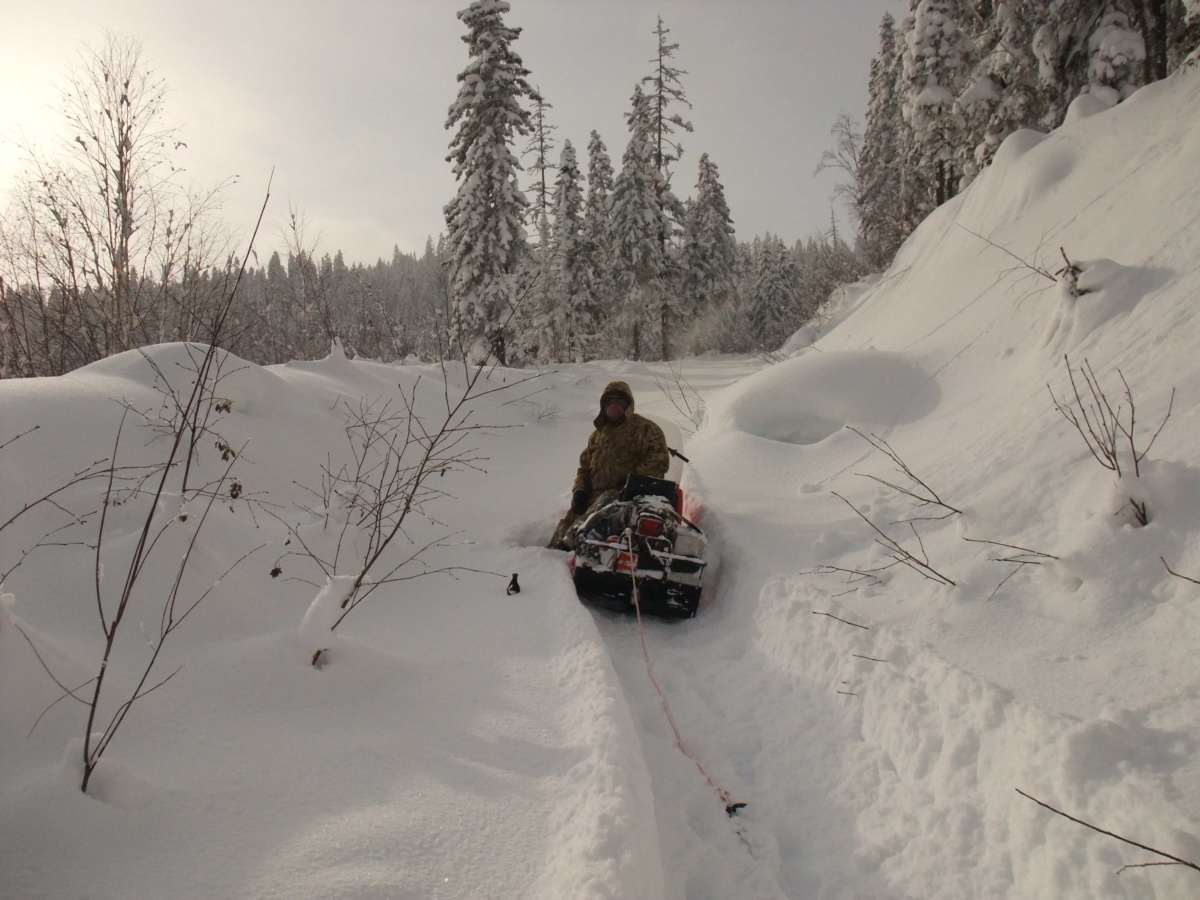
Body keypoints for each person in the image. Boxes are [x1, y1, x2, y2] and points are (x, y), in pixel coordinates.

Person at [549, 380, 670, 550]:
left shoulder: (645, 429)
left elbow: (659, 461)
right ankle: (551, 559)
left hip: (626, 499)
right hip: (594, 498)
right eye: (610, 401)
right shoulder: (598, 435)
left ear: (628, 404)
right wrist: (580, 491)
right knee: (568, 522)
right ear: (603, 405)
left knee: (606, 502)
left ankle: (571, 544)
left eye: (619, 401)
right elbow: (584, 468)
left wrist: (632, 481)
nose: (614, 406)